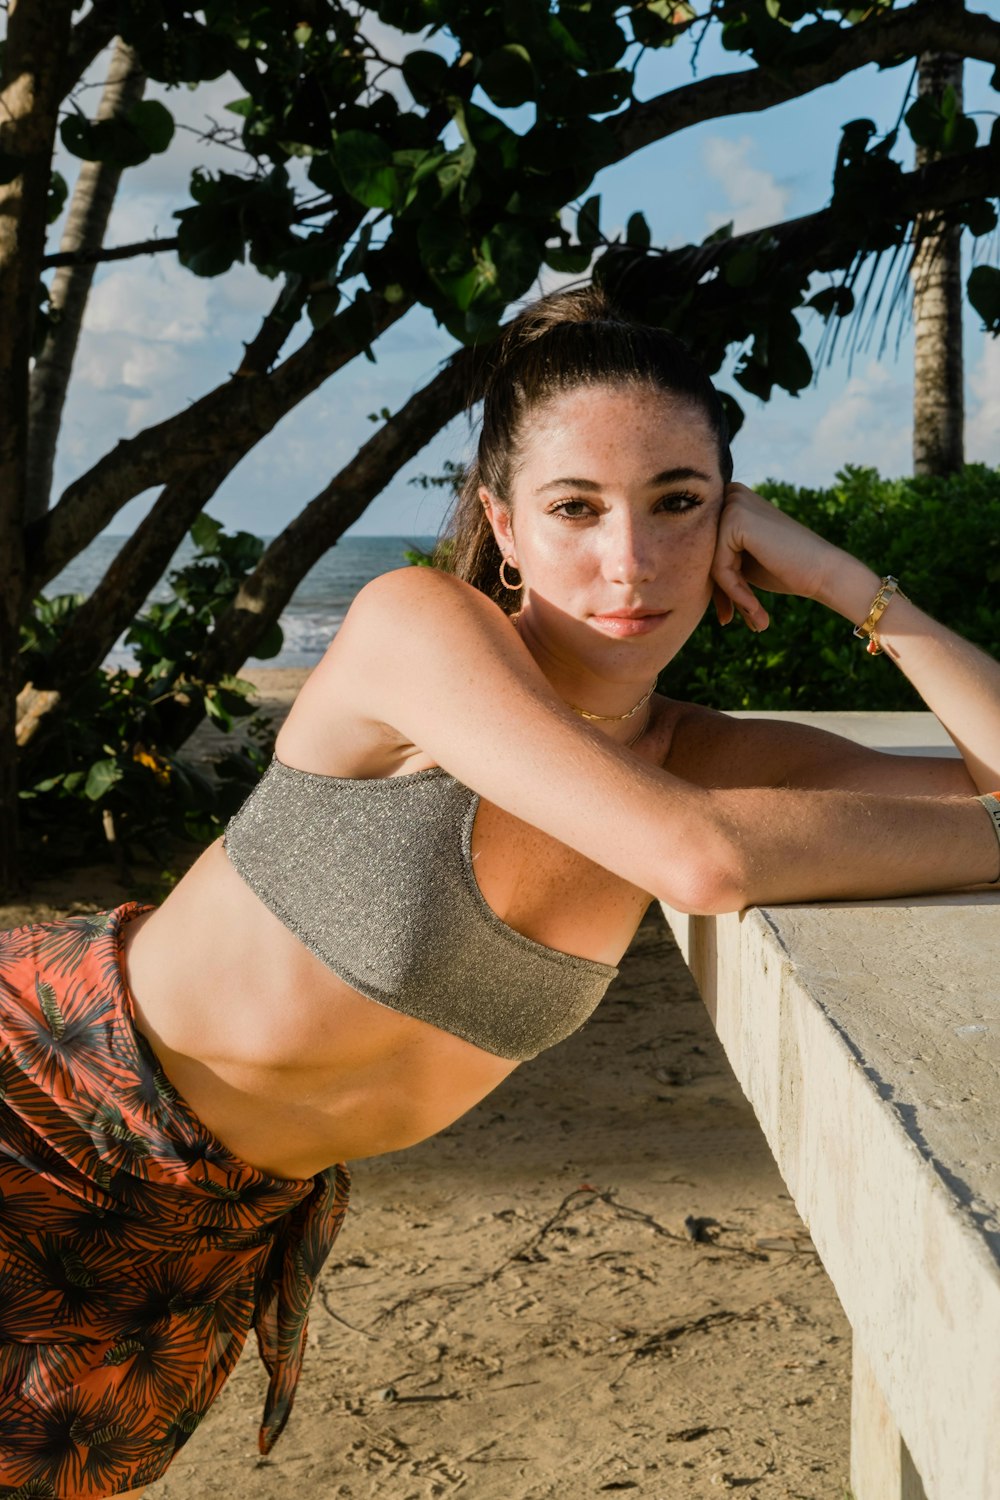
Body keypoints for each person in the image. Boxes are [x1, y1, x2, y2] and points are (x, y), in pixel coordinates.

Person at [2, 285, 999, 1499]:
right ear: (501, 524)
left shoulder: (700, 756)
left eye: (677, 505)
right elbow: (703, 860)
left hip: (216, 1224)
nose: (627, 562)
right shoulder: (415, 627)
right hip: (46, 1098)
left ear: (733, 524)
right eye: (573, 509)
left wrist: (852, 585)